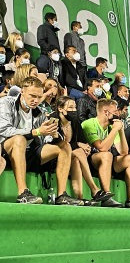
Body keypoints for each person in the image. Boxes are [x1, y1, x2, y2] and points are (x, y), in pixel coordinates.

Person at [0, 77, 81, 205]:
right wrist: (36, 132)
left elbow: (45, 139)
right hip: (7, 149)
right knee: (20, 140)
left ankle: (62, 195)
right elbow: (4, 130)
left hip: (30, 153)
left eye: (39, 97)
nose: (36, 100)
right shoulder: (6, 103)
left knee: (65, 146)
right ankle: (23, 193)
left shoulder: (39, 112)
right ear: (22, 91)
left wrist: (54, 135)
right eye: (32, 96)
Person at [82, 98, 130, 209]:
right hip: (89, 161)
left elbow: (123, 151)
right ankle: (106, 196)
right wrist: (114, 130)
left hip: (107, 161)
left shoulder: (112, 126)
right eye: (115, 111)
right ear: (106, 112)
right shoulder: (88, 124)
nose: (117, 113)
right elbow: (101, 148)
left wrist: (120, 131)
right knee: (106, 155)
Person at [51, 96, 115, 204]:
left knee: (77, 158)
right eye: (70, 107)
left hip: (71, 155)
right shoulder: (53, 120)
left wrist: (86, 148)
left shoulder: (74, 121)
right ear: (60, 109)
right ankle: (94, 190)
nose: (74, 110)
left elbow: (82, 141)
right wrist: (78, 145)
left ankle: (79, 199)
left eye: (75, 107)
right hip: (55, 155)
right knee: (78, 152)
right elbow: (56, 142)